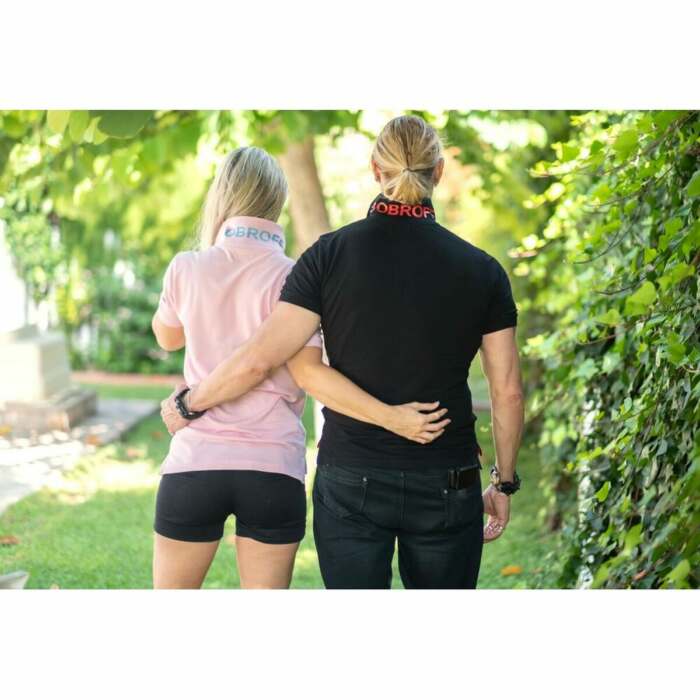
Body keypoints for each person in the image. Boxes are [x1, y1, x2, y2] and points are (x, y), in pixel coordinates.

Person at [161, 116, 525, 589]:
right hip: (446, 476)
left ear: (375, 169)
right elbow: (507, 392)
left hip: (351, 478)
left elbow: (283, 364)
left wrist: (189, 403)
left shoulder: (327, 256)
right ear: (438, 171)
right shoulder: (483, 270)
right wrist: (503, 481)